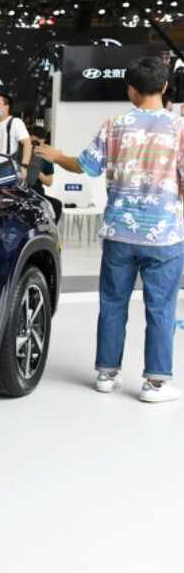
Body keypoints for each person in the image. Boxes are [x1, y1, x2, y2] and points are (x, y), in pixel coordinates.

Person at [35, 56, 184, 403]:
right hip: (163, 234)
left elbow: (85, 166)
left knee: (113, 303)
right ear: (164, 87)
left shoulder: (114, 126)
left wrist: (57, 156)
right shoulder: (179, 128)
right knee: (161, 308)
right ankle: (155, 384)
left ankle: (106, 373)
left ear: (131, 90)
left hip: (119, 232)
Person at [0, 92, 33, 172]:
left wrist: (24, 166)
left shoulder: (15, 122)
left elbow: (27, 143)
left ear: (6, 107)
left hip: (7, 167)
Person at [28, 126, 62, 223]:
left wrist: (37, 171)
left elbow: (49, 182)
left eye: (38, 143)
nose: (35, 146)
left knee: (56, 205)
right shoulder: (22, 153)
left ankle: (47, 230)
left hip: (37, 194)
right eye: (32, 142)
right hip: (22, 192)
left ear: (43, 142)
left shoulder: (45, 158)